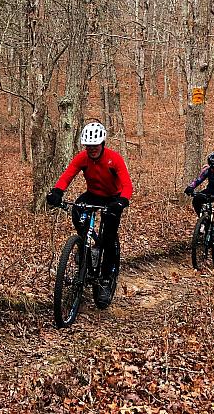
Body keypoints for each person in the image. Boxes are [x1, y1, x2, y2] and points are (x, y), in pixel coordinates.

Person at [46, 121, 133, 306]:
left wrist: (122, 200)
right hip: (92, 195)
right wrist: (57, 192)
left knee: (108, 239)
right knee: (77, 210)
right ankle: (84, 245)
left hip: (113, 198)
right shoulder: (82, 158)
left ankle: (106, 280)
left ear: (102, 143)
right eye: (88, 146)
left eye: (95, 146)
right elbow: (68, 175)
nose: (92, 149)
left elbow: (127, 184)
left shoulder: (114, 159)